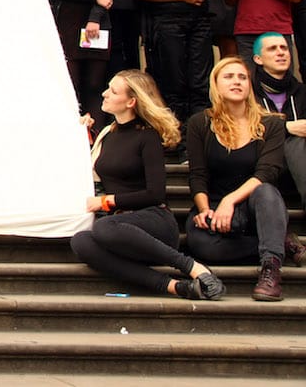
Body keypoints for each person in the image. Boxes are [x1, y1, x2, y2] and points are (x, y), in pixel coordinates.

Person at [70, 71, 225, 300]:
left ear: (131, 102)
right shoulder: (108, 134)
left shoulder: (147, 136)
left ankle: (193, 268)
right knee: (81, 241)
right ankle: (175, 287)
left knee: (104, 228)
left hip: (153, 222)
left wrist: (106, 202)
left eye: (113, 91)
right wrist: (81, 137)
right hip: (120, 228)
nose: (104, 94)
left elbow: (155, 193)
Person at [185, 57, 290, 301]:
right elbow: (198, 174)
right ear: (216, 84)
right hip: (214, 203)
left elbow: (267, 173)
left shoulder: (271, 123)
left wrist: (230, 201)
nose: (237, 82)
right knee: (203, 247)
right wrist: (204, 210)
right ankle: (277, 242)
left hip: (258, 206)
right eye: (229, 77)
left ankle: (270, 270)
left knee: (266, 191)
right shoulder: (200, 123)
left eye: (242, 77)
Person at [249, 33, 306, 260]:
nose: (281, 52)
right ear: (258, 59)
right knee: (295, 139)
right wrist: (286, 127)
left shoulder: (303, 91)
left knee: (298, 144)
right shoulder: (247, 91)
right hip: (260, 167)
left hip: (298, 167)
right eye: (272, 49)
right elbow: (243, 130)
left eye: (284, 48)